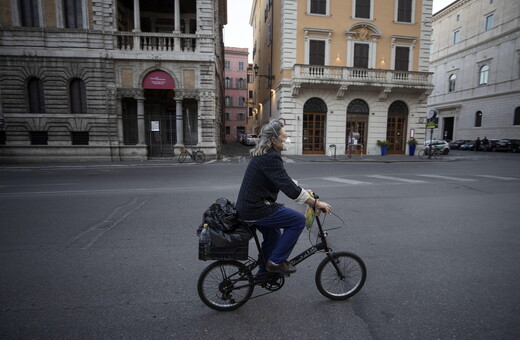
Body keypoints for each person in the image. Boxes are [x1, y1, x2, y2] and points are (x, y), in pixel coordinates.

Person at [235, 120, 332, 275]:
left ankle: (264, 273)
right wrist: (316, 203)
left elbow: (282, 180)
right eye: (284, 136)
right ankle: (275, 262)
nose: (286, 140)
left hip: (250, 207)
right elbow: (288, 188)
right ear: (274, 139)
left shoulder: (266, 155)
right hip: (254, 209)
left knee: (274, 235)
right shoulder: (270, 157)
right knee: (297, 220)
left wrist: (304, 192)